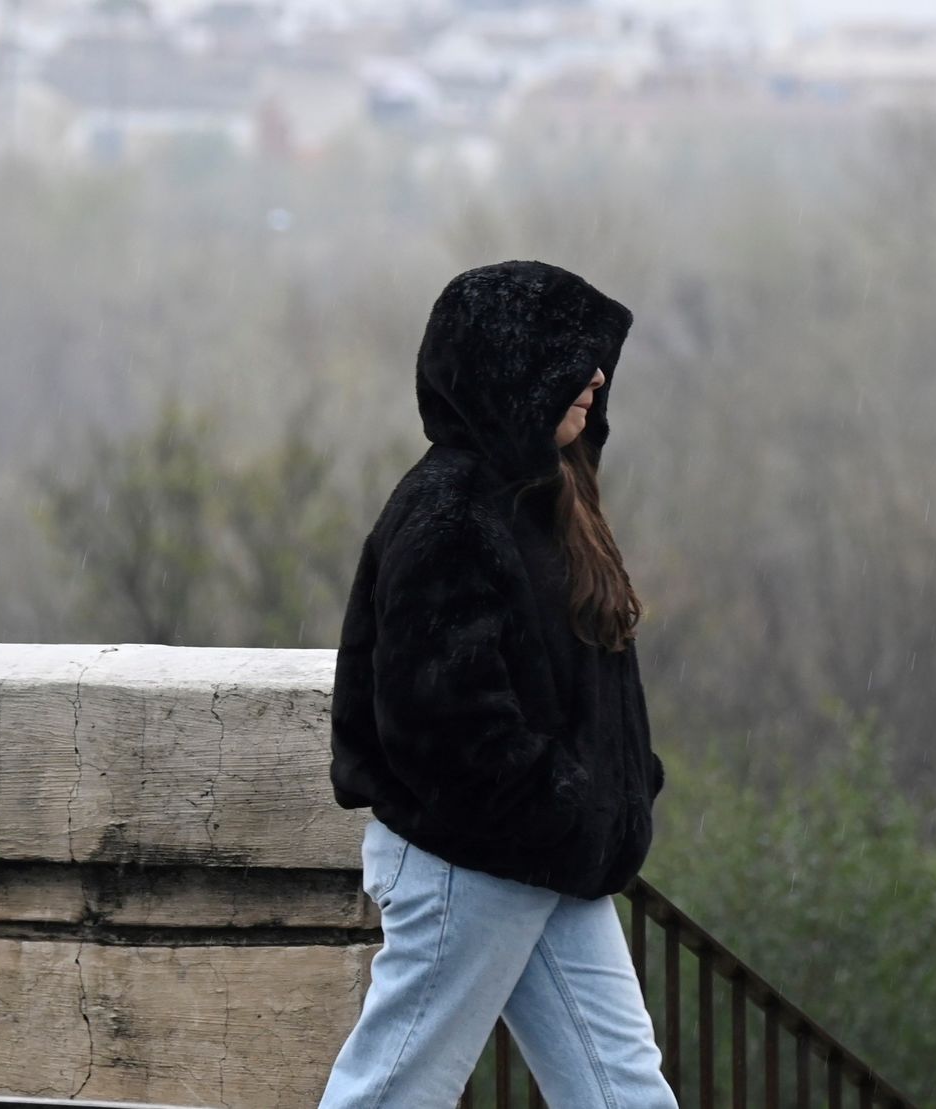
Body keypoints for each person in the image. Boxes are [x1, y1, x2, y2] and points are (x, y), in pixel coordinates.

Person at [319, 260, 677, 1109]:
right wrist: (570, 804)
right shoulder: (449, 510)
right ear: (513, 370)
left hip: (541, 857)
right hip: (470, 864)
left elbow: (588, 695)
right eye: (571, 357)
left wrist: (608, 799)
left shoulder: (547, 502)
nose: (595, 377)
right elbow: (439, 722)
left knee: (624, 1092)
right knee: (394, 1091)